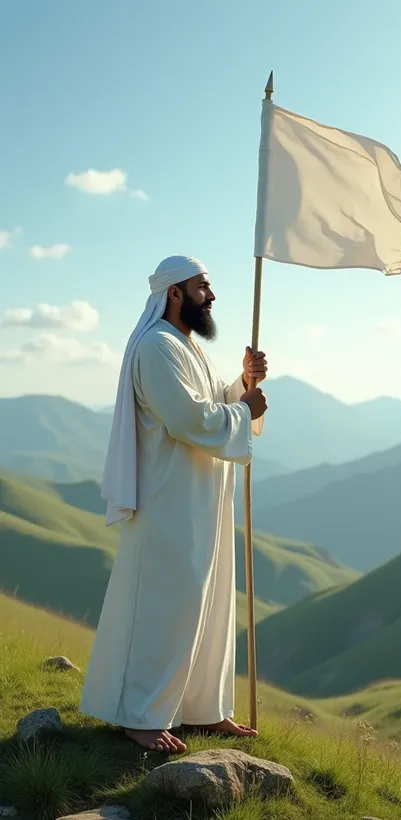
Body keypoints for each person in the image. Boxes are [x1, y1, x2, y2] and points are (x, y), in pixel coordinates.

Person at [80, 255, 268, 754]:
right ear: (175, 293)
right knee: (166, 609)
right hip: (169, 502)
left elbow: (209, 404)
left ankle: (203, 709)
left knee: (205, 607)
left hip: (200, 500)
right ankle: (140, 716)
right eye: (203, 286)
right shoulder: (156, 348)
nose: (212, 295)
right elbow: (188, 420)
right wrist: (242, 409)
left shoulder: (186, 347)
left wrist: (242, 386)